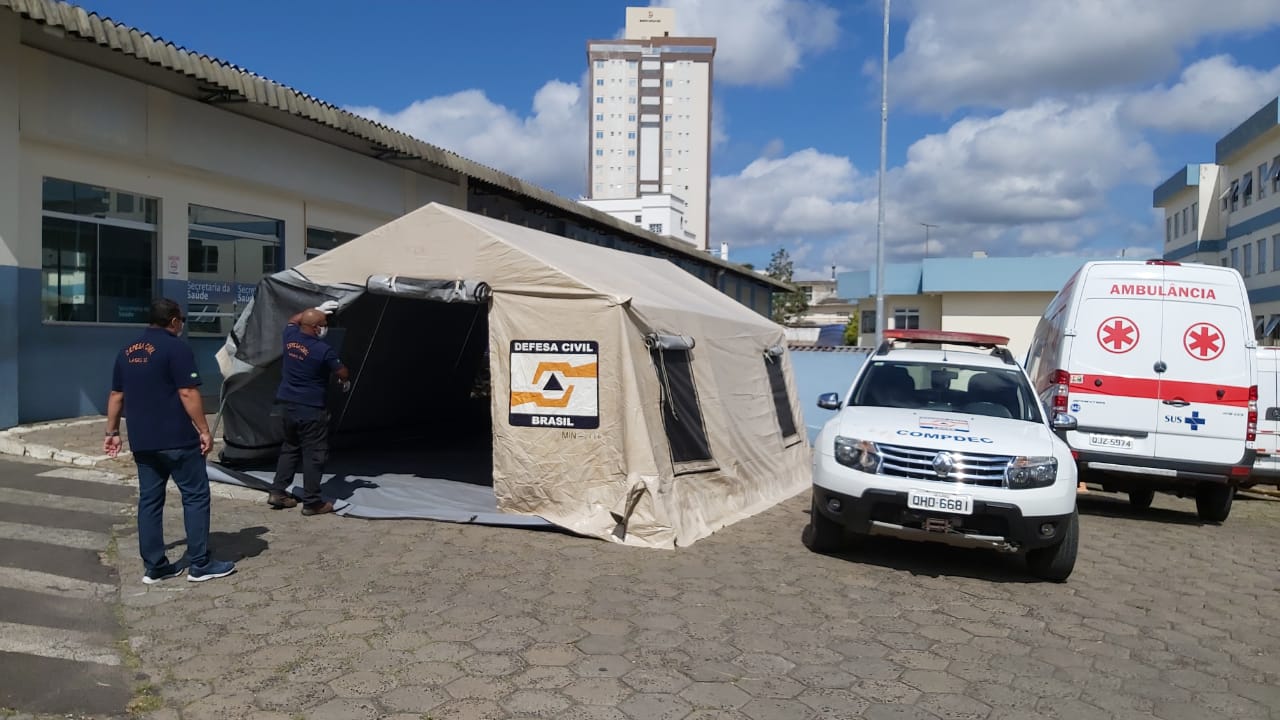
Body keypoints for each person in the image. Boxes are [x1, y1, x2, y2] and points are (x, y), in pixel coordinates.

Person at [104, 298, 237, 584]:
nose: (182, 325)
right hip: (177, 439)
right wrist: (204, 429)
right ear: (174, 321)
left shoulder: (126, 351)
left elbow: (116, 395)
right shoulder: (177, 348)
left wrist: (111, 433)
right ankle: (200, 564)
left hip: (142, 440)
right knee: (195, 496)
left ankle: (155, 566)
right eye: (182, 320)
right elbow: (187, 392)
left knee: (150, 501)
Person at [268, 300, 350, 515]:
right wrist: (344, 381)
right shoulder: (322, 350)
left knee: (290, 448)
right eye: (323, 323)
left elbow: (292, 320)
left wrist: (316, 310)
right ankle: (313, 502)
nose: (325, 327)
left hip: (287, 405)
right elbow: (342, 372)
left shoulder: (290, 338)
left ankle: (278, 491)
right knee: (314, 454)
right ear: (317, 328)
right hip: (311, 408)